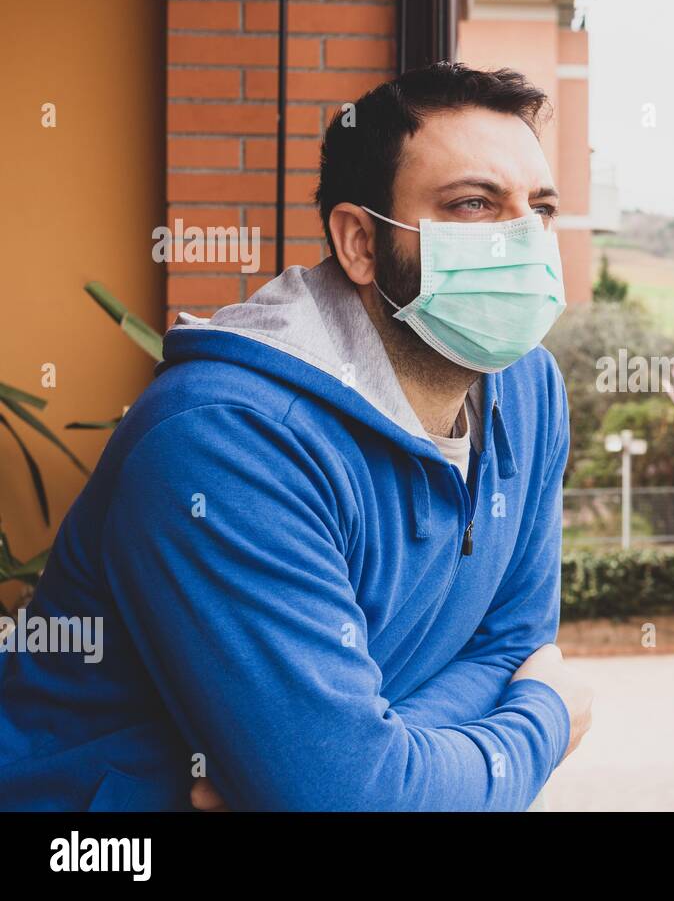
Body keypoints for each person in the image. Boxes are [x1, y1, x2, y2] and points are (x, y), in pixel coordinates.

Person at [0, 62, 593, 811]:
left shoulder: (530, 393)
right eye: (474, 204)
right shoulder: (226, 444)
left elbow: (512, 647)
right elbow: (366, 793)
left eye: (539, 207)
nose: (521, 237)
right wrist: (546, 719)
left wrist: (358, 761)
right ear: (360, 242)